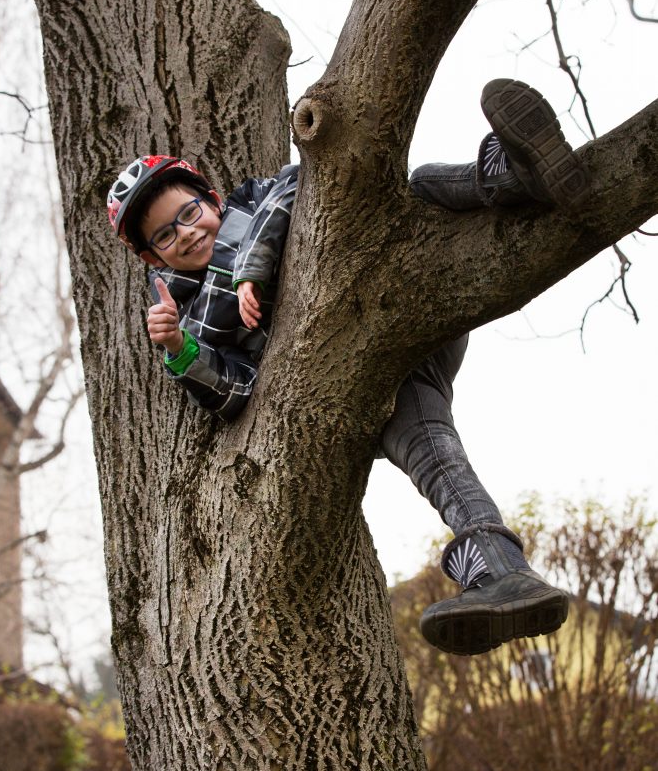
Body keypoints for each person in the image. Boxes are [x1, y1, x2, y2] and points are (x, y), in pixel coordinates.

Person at [107, 79, 590, 657]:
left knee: (420, 187)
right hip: (380, 373)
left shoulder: (252, 202)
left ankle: (513, 173)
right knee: (429, 448)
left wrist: (252, 268)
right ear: (151, 256)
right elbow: (239, 391)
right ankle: (501, 571)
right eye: (166, 234)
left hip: (407, 291)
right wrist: (180, 352)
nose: (188, 232)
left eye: (190, 213)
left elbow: (299, 184)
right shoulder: (193, 321)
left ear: (211, 200)